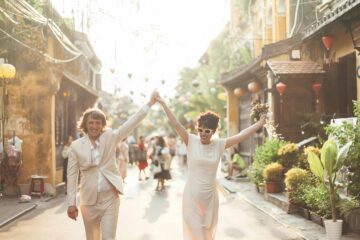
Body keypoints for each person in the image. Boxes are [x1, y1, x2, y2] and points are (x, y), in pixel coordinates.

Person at [157, 96, 267, 240]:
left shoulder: (219, 145)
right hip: (191, 197)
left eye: (207, 131)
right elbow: (176, 124)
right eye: (200, 129)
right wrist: (164, 104)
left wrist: (260, 123)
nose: (203, 133)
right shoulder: (191, 140)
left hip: (209, 199)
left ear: (214, 132)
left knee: (206, 234)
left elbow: (241, 135)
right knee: (197, 235)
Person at [66, 90, 159, 240]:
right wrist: (71, 203)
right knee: (93, 238)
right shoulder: (76, 146)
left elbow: (131, 123)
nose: (94, 126)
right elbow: (71, 175)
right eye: (91, 122)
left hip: (110, 198)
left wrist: (149, 104)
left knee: (109, 238)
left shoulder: (110, 137)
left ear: (103, 124)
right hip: (88, 201)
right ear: (85, 124)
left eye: (98, 123)